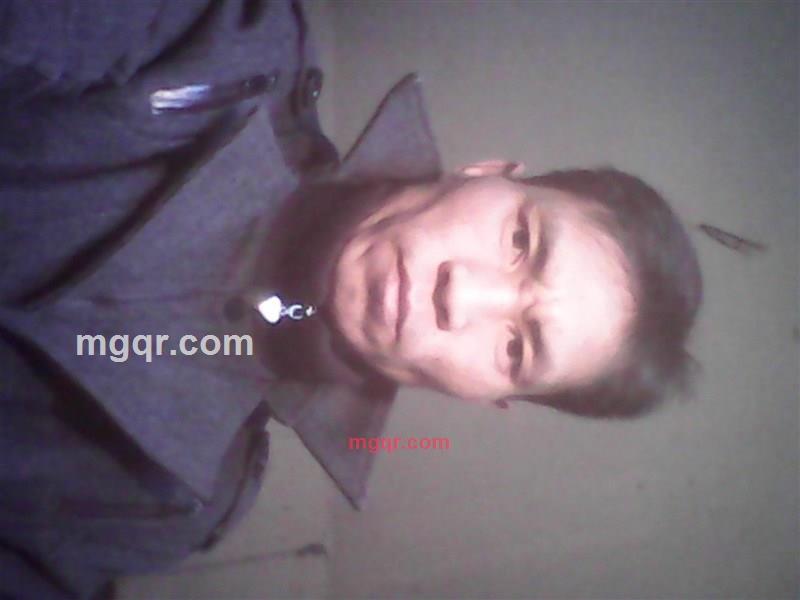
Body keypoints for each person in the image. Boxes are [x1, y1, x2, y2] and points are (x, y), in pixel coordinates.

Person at [0, 0, 702, 598]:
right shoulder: (229, 45)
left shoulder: (184, 506)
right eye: (521, 238)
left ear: (489, 397)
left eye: (517, 347)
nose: (461, 295)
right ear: (486, 171)